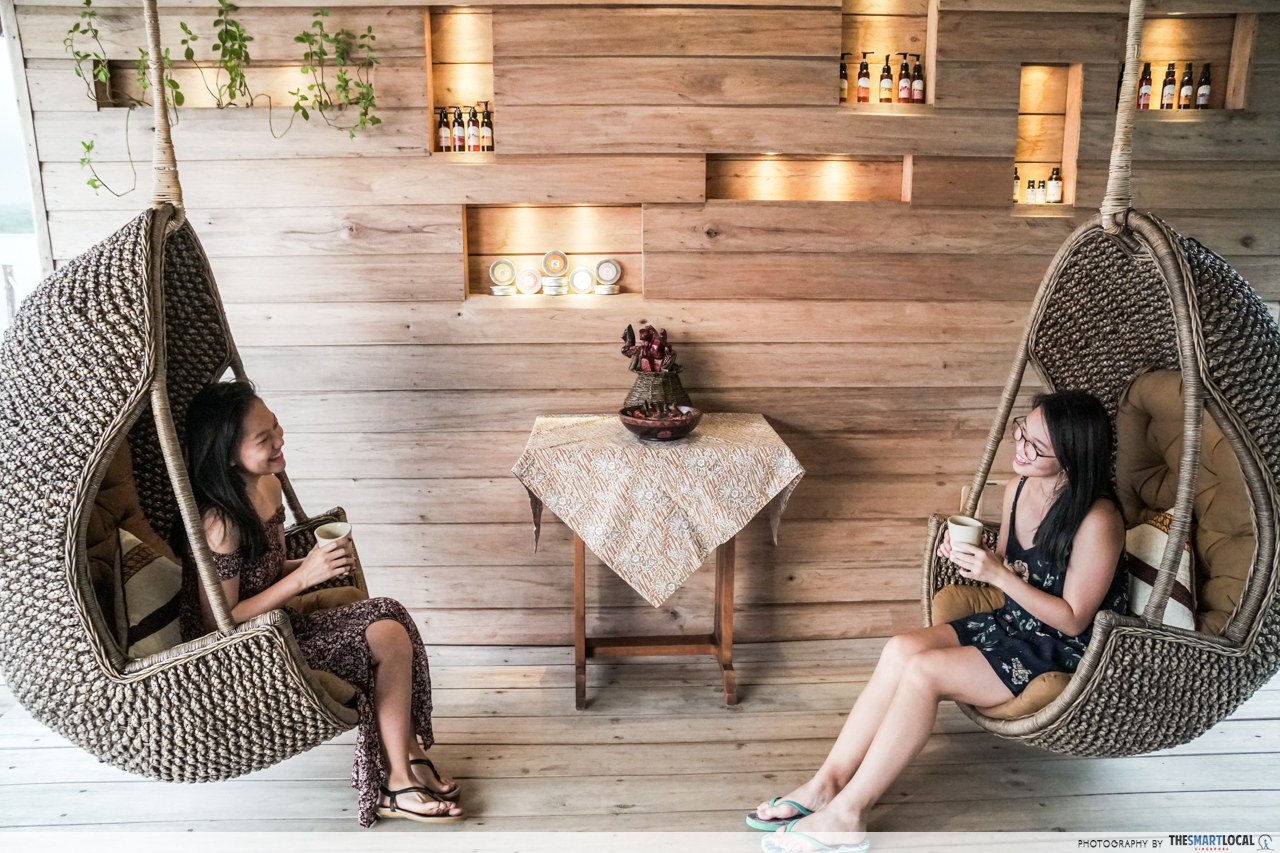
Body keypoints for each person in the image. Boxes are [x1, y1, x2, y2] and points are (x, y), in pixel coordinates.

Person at [748, 390, 1128, 852]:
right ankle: (825, 785)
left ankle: (848, 816)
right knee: (900, 649)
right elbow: (1008, 566)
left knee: (924, 673)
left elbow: (1073, 620)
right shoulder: (1018, 487)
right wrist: (974, 558)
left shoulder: (1098, 519)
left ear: (1071, 457)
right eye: (1022, 432)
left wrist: (998, 576)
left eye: (1036, 447)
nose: (1020, 448)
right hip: (1012, 623)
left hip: (1060, 650)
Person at [180, 379, 463, 827]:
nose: (279, 440)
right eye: (263, 438)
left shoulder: (267, 486)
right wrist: (305, 576)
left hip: (279, 625)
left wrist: (314, 562)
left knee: (390, 614)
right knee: (386, 637)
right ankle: (395, 783)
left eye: (276, 426)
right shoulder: (221, 523)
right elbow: (220, 623)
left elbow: (266, 570)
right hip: (245, 652)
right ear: (229, 455)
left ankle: (407, 755)